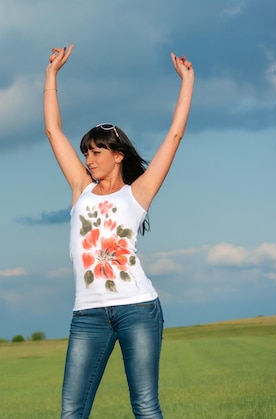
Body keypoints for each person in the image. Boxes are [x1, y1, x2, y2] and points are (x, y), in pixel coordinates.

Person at [43, 44, 194, 419]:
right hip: (88, 314)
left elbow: (173, 136)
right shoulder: (81, 188)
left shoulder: (137, 194)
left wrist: (187, 82)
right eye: (86, 153)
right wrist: (51, 76)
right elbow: (52, 130)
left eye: (96, 152)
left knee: (144, 406)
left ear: (118, 155)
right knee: (71, 412)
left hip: (137, 308)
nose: (88, 159)